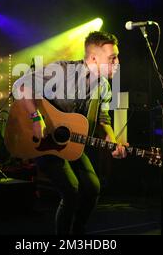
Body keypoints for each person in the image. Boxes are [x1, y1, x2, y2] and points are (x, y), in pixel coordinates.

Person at [12, 31, 127, 235]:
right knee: (71, 192)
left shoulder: (104, 87)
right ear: (93, 58)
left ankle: (77, 234)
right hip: (43, 142)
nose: (117, 62)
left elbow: (103, 120)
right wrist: (36, 118)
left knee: (92, 188)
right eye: (112, 58)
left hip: (71, 143)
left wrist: (113, 140)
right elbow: (19, 85)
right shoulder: (61, 71)